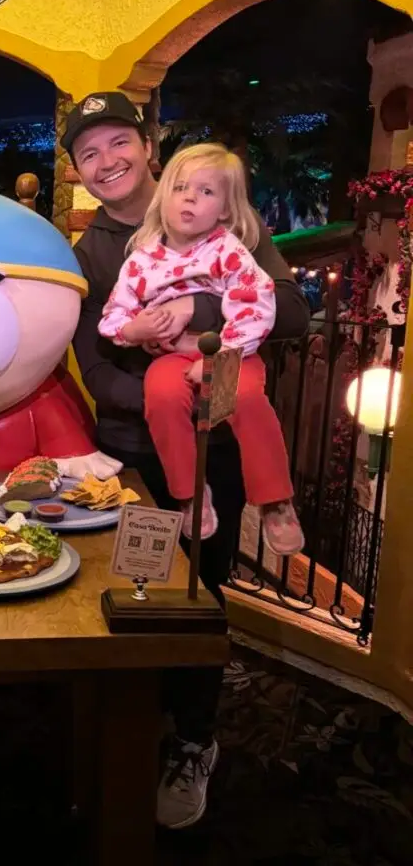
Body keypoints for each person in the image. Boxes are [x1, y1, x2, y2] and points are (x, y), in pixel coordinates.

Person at [65, 92, 309, 830]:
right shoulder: (95, 252)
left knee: (201, 591)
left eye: (118, 144)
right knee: (134, 588)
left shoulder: (222, 221)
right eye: (89, 153)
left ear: (148, 148)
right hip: (133, 450)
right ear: (77, 169)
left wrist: (200, 315)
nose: (107, 162)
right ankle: (135, 720)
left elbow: (289, 311)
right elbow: (92, 353)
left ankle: (195, 740)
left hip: (216, 444)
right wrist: (152, 396)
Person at [98, 143, 303, 555]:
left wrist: (224, 353)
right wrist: (134, 329)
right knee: (161, 396)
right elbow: (113, 316)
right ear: (164, 197)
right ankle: (189, 492)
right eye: (181, 187)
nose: (190, 197)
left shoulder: (229, 250)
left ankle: (275, 500)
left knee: (243, 397)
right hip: (171, 357)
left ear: (225, 210)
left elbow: (257, 303)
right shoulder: (141, 259)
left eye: (206, 192)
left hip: (232, 353)